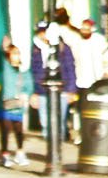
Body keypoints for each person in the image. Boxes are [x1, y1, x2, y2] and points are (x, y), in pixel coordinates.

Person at [30, 20, 78, 149]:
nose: (42, 35)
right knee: (45, 119)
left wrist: (71, 90)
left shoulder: (62, 47)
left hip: (62, 88)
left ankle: (58, 146)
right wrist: (33, 92)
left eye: (44, 31)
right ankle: (49, 145)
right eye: (40, 32)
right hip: (42, 88)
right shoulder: (35, 48)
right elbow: (33, 71)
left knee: (59, 118)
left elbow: (70, 68)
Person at [0, 34, 34, 168]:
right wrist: (4, 47)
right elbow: (1, 58)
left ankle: (20, 152)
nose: (15, 56)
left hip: (17, 105)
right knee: (5, 129)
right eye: (13, 53)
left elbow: (29, 86)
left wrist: (25, 94)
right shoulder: (6, 69)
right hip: (5, 105)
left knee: (18, 129)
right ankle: (4, 154)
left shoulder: (24, 72)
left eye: (17, 53)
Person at [70, 15, 108, 92]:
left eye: (87, 29)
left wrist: (107, 72)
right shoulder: (75, 41)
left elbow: (107, 57)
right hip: (80, 78)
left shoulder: (99, 40)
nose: (85, 31)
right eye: (83, 28)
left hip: (97, 77)